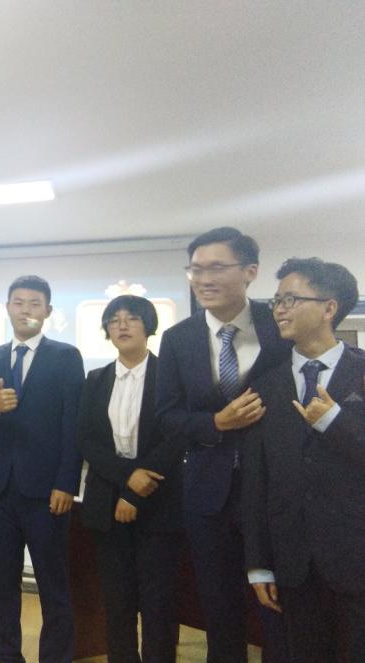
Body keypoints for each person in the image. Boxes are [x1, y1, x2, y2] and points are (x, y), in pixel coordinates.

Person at [155, 227, 290, 663]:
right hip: (208, 492)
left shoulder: (280, 325)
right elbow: (166, 416)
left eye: (216, 267)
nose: (203, 279)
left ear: (250, 271)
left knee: (279, 607)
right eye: (196, 269)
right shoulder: (178, 338)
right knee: (219, 605)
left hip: (274, 489)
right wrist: (215, 422)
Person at [242, 258, 363, 662]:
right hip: (292, 560)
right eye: (276, 300)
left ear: (329, 308)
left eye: (291, 299)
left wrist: (334, 422)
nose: (279, 309)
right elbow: (256, 479)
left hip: (356, 554)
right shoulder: (265, 385)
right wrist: (259, 563)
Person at [0, 275, 85, 663]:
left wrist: (66, 482)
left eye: (34, 303)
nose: (26, 310)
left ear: (48, 311)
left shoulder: (66, 356)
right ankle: (7, 652)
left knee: (52, 580)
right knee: (2, 579)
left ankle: (56, 656)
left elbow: (73, 423)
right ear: (7, 308)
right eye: (18, 302)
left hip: (47, 490)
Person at [79, 295, 184, 663]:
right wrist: (127, 481)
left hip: (159, 504)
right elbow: (86, 440)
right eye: (114, 320)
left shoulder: (170, 376)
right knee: (117, 602)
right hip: (106, 505)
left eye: (132, 318)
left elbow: (175, 438)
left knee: (158, 603)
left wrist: (135, 494)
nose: (122, 325)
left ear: (149, 326)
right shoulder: (95, 379)